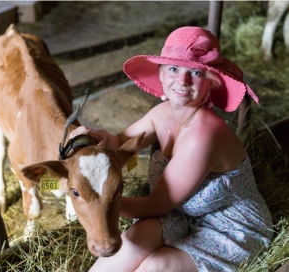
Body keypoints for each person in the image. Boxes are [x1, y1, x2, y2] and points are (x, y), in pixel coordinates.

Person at [70, 26, 273, 272]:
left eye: (196, 72)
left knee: (155, 266)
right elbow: (121, 143)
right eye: (174, 69)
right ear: (162, 75)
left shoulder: (205, 134)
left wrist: (91, 203)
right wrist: (99, 135)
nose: (182, 81)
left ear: (210, 82)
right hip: (182, 216)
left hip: (229, 229)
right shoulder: (161, 113)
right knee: (136, 239)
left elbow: (156, 206)